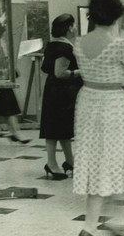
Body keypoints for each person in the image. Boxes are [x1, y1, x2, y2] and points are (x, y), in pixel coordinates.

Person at [72, 0, 124, 236]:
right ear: (116, 15)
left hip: (88, 101)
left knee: (94, 159)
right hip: (113, 103)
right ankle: (95, 224)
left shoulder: (79, 42)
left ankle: (94, 222)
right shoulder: (119, 44)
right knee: (113, 159)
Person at [39, 14, 82, 180]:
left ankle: (69, 161)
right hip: (61, 92)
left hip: (54, 91)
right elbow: (60, 73)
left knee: (61, 129)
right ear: (69, 27)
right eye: (74, 25)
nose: (76, 28)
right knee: (55, 129)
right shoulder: (64, 48)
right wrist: (81, 72)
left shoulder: (53, 44)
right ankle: (52, 163)